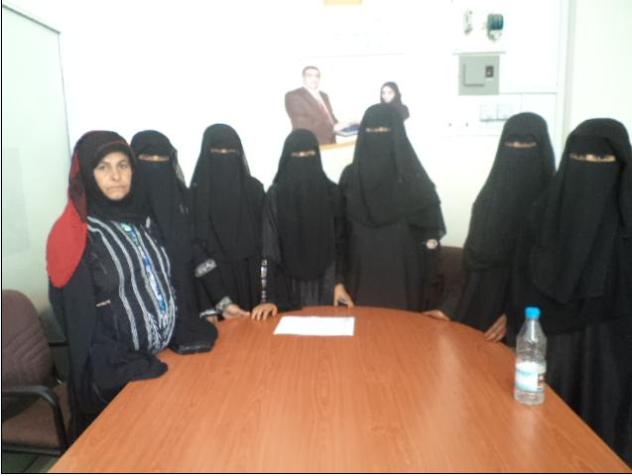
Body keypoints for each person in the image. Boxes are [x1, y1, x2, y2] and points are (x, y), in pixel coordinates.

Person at [47, 131, 216, 440]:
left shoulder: (142, 221)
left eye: (123, 165)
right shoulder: (75, 234)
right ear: (86, 175)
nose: (116, 176)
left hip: (162, 362)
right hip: (117, 382)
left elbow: (162, 284)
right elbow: (78, 322)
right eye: (103, 167)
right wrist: (128, 366)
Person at [506, 118, 632, 464]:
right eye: (581, 159)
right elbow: (522, 282)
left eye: (602, 160)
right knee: (543, 439)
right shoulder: (541, 216)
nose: (590, 167)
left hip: (613, 347)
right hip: (552, 343)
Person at [423, 113, 555, 337]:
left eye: (527, 143)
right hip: (479, 311)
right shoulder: (488, 202)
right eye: (511, 143)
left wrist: (516, 314)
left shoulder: (553, 208)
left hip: (528, 322)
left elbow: (551, 279)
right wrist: (448, 308)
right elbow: (471, 264)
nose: (518, 148)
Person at [339, 103, 445, 311]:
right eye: (372, 130)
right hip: (357, 281)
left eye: (384, 130)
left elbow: (430, 241)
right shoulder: (350, 177)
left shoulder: (415, 181)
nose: (378, 136)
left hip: (405, 282)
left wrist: (431, 298)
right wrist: (338, 281)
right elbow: (339, 234)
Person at [190, 124, 276, 321]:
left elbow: (267, 242)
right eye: (217, 152)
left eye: (230, 152)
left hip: (252, 282)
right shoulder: (195, 197)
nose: (224, 157)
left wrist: (268, 296)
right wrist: (220, 303)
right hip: (213, 291)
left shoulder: (254, 190)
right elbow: (195, 253)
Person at [262, 128, 354, 310]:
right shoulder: (275, 196)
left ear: (317, 157)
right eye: (297, 155)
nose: (303, 160)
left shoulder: (332, 193)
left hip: (327, 284)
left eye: (309, 155)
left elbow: (340, 243)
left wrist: (339, 283)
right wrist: (270, 298)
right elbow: (271, 249)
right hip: (286, 287)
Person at [285, 66, 342, 145]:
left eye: (317, 76)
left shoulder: (324, 95)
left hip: (331, 142)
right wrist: (333, 128)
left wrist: (344, 126)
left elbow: (330, 118)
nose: (314, 79)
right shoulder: (293, 95)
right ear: (303, 78)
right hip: (309, 144)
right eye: (309, 75)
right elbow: (302, 126)